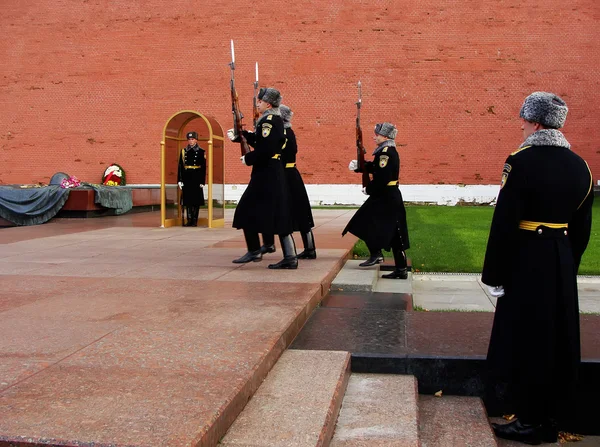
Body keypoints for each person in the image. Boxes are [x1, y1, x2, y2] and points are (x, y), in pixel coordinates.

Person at [482, 92, 594, 445]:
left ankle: (530, 420)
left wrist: (494, 275)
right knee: (555, 339)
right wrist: (566, 263)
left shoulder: (521, 161)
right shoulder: (581, 166)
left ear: (534, 122)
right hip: (560, 257)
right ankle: (547, 413)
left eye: (524, 119)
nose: (521, 124)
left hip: (526, 259)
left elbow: (505, 222)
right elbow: (582, 228)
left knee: (527, 337)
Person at [227, 87, 298, 269]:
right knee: (278, 213)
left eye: (259, 101)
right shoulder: (273, 119)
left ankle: (254, 250)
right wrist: (240, 136)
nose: (257, 104)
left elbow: (266, 149)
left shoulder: (268, 120)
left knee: (244, 210)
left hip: (266, 172)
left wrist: (248, 158)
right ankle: (290, 257)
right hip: (271, 171)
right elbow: (262, 141)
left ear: (267, 103)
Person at [342, 122, 410, 279]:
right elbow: (377, 168)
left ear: (385, 136)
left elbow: (382, 177)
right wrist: (360, 166)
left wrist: (369, 189)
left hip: (385, 196)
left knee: (363, 222)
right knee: (391, 231)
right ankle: (395, 265)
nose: (375, 137)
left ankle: (379, 255)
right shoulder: (387, 151)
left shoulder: (385, 153)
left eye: (377, 134)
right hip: (387, 195)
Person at [261, 105, 317, 259]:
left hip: (285, 174)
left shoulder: (283, 132)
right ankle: (310, 248)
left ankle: (273, 245)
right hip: (292, 173)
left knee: (283, 210)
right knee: (301, 211)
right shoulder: (289, 131)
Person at [177, 131, 206, 227]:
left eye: (192, 139)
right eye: (189, 139)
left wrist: (202, 181)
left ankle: (194, 221)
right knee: (187, 201)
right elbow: (180, 167)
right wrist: (180, 180)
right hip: (187, 178)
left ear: (196, 140)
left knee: (196, 201)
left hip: (196, 178)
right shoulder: (183, 151)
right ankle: (189, 220)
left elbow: (203, 167)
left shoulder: (201, 152)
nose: (191, 141)